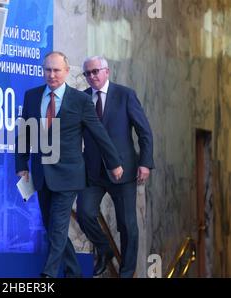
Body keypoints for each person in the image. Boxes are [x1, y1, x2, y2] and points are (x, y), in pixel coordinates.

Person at [15, 51, 124, 278]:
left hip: (69, 175)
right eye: (48, 70)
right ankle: (74, 272)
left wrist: (114, 163)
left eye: (56, 70)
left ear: (66, 71)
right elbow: (24, 132)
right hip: (42, 172)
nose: (51, 74)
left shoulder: (81, 100)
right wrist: (21, 163)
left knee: (58, 225)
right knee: (50, 225)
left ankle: (49, 275)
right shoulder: (32, 96)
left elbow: (99, 133)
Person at [77, 56, 154, 278]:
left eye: (95, 71)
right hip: (92, 172)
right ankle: (104, 248)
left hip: (124, 170)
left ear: (107, 71)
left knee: (127, 225)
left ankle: (127, 272)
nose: (92, 76)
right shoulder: (82, 99)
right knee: (84, 213)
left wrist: (145, 163)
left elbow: (144, 131)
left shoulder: (125, 95)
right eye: (87, 73)